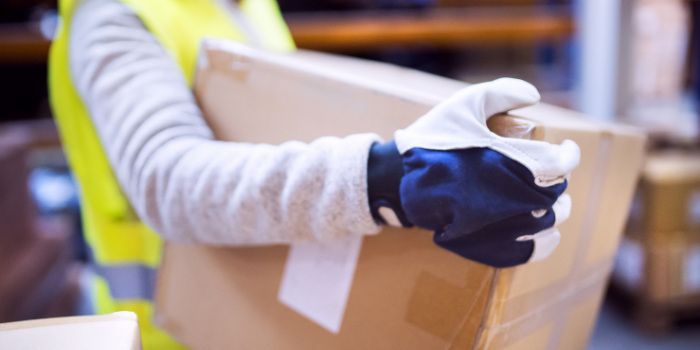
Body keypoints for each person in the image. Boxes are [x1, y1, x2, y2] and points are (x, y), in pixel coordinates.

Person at [48, 0, 580, 348]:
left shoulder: (245, 6)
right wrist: (388, 179)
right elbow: (170, 181)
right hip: (172, 331)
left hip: (261, 315)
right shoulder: (113, 17)